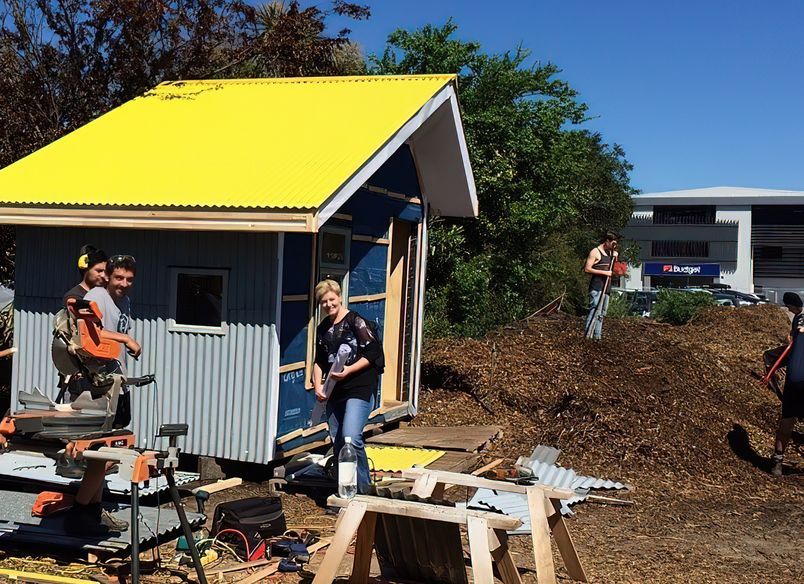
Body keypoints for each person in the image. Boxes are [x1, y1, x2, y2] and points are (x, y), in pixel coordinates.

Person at [65, 254, 141, 533]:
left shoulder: (125, 302)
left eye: (129, 279)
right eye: (119, 277)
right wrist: (125, 339)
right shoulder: (96, 295)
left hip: (113, 378)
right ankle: (79, 514)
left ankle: (93, 513)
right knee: (98, 449)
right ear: (108, 276)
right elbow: (89, 333)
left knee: (107, 450)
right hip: (92, 382)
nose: (123, 284)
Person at [313, 279, 383, 494]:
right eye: (323, 302)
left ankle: (363, 492)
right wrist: (318, 385)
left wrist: (349, 371)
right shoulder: (323, 328)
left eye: (331, 299)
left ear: (340, 297)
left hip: (358, 387)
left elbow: (374, 354)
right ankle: (346, 489)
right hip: (335, 390)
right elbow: (320, 361)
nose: (328, 305)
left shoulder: (356, 321)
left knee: (351, 437)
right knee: (339, 442)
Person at [771, 292, 804, 476]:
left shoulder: (798, 320)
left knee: (787, 420)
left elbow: (791, 343)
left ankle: (777, 462)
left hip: (794, 376)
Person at [762, 292, 803, 398]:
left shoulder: (801, 317)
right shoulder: (797, 315)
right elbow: (794, 331)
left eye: (789, 307)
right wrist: (790, 335)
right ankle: (773, 381)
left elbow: (800, 329)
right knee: (769, 356)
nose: (788, 309)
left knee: (769, 356)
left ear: (794, 305)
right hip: (794, 349)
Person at [584, 232, 619, 340]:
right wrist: (604, 273)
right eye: (613, 244)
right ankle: (588, 335)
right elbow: (587, 269)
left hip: (606, 288)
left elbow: (615, 269)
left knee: (602, 313)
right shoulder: (595, 252)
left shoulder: (610, 254)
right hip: (597, 286)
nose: (614, 246)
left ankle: (597, 337)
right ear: (607, 241)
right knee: (595, 310)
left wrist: (616, 258)